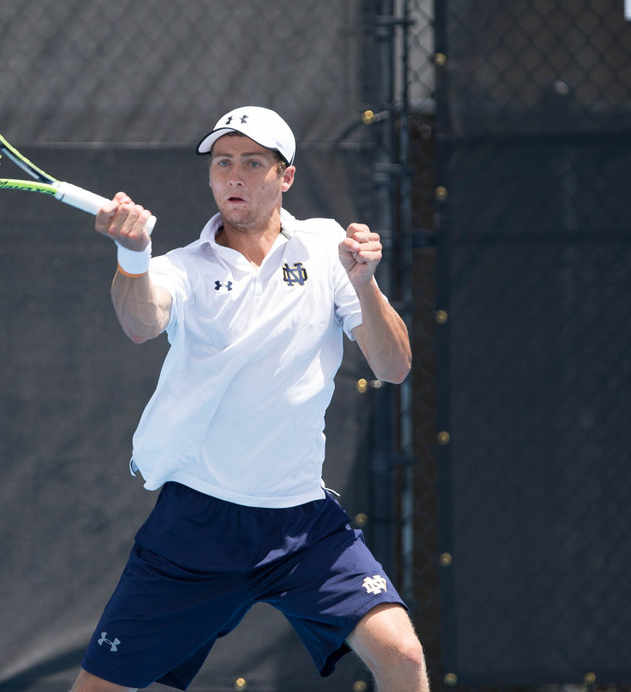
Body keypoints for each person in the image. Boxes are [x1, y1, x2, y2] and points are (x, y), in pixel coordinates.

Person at [71, 106, 427, 692]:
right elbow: (140, 322)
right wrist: (132, 256)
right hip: (197, 525)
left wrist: (364, 284)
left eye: (252, 163)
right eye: (222, 163)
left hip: (303, 525)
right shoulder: (182, 269)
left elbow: (393, 367)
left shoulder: (328, 248)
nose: (233, 177)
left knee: (403, 657)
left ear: (285, 176)